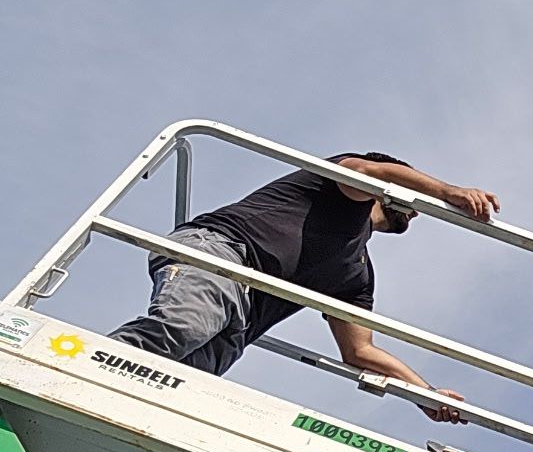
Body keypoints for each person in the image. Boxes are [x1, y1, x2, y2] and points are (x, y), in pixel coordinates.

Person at [112, 152, 500, 422]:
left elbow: (360, 351)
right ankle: (76, 365)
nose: (417, 208)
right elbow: (370, 173)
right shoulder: (337, 184)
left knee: (178, 384)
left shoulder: (355, 272)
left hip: (242, 321)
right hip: (222, 255)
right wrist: (448, 192)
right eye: (412, 191)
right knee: (184, 330)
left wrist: (424, 394)